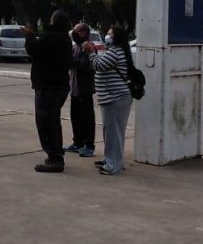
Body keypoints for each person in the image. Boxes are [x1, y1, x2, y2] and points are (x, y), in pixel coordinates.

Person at [24, 10, 73, 173]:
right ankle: (56, 153)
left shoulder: (52, 37)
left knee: (45, 122)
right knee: (53, 121)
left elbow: (32, 49)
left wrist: (29, 36)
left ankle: (54, 157)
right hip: (57, 85)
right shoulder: (64, 38)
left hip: (48, 87)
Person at [88, 25, 133, 176]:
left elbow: (98, 65)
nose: (107, 36)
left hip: (115, 98)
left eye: (110, 33)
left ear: (116, 37)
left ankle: (113, 165)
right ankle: (110, 159)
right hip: (113, 97)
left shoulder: (115, 52)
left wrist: (91, 53)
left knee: (114, 133)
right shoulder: (117, 51)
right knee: (111, 132)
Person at [65, 23, 97, 158]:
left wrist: (72, 60)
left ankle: (89, 145)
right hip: (74, 89)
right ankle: (77, 143)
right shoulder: (75, 47)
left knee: (87, 119)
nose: (74, 33)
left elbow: (86, 66)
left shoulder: (88, 47)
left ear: (84, 32)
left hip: (84, 89)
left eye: (77, 31)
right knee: (75, 118)